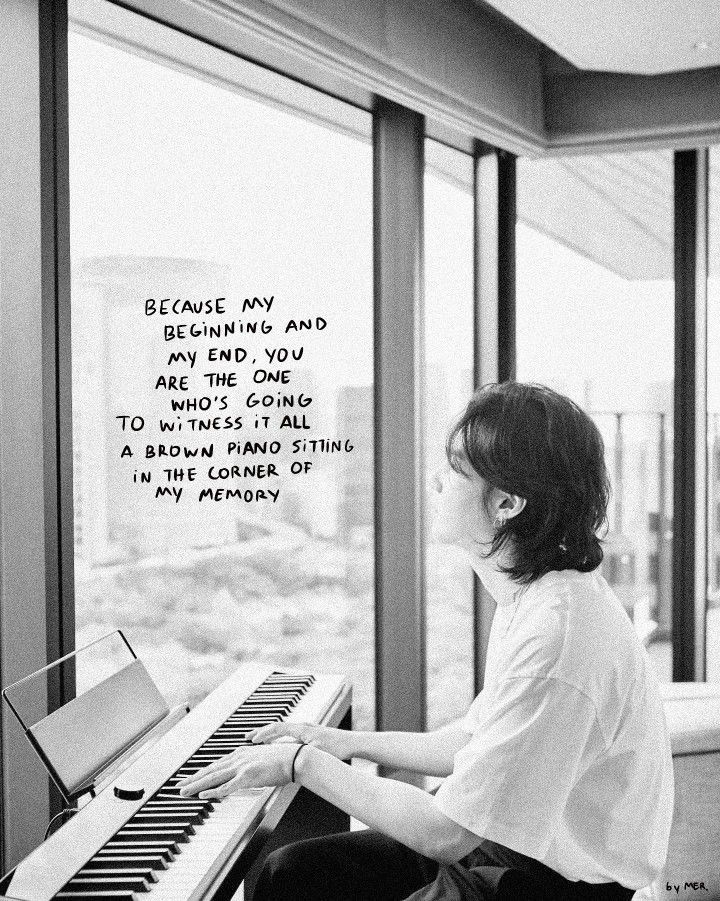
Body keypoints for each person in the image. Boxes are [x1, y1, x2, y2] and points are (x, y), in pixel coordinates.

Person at [178, 382, 674, 901]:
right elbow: (473, 743)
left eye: (457, 471)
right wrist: (347, 743)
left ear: (506, 502)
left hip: (544, 883)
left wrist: (301, 763)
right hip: (513, 847)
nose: (438, 481)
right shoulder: (537, 594)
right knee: (290, 872)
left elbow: (449, 833)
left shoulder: (557, 636)